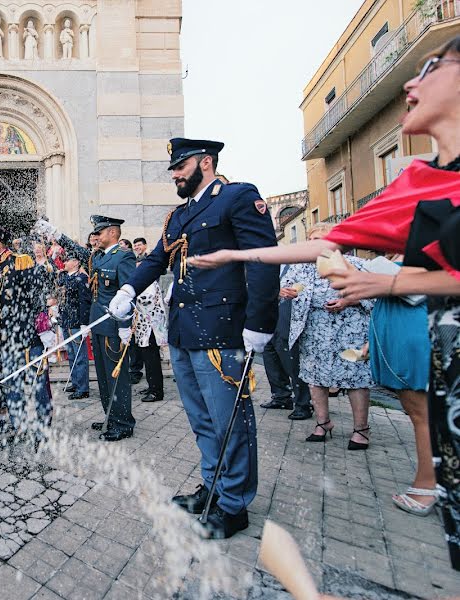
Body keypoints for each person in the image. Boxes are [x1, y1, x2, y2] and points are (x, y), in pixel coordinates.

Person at [187, 35, 460, 565]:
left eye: (430, 66)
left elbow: (399, 277)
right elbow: (321, 245)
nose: (409, 81)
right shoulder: (420, 180)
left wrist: (389, 284)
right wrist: (235, 257)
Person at [107, 138, 279, 539]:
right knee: (202, 420)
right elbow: (156, 259)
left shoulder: (236, 197)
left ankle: (234, 504)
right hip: (184, 331)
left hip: (223, 330)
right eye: (172, 168)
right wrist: (129, 289)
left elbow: (264, 259)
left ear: (206, 161)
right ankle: (213, 487)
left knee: (230, 419)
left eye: (180, 166)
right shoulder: (178, 216)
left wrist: (260, 320)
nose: (174, 174)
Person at [38, 215, 137, 442]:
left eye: (99, 233)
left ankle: (123, 423)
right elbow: (78, 251)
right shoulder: (98, 257)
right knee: (102, 376)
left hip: (113, 327)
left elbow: (130, 292)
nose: (95, 237)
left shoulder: (123, 257)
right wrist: (56, 234)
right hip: (98, 324)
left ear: (112, 232)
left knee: (116, 377)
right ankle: (111, 416)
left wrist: (124, 326)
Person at [281, 224, 375, 448]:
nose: (315, 244)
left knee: (356, 378)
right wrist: (284, 292)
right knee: (315, 378)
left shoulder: (356, 265)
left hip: (351, 332)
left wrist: (348, 301)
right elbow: (284, 288)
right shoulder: (301, 268)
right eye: (312, 239)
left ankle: (361, 429)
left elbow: (376, 296)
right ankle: (323, 423)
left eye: (320, 239)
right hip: (314, 332)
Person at [365, 256, 434, 515]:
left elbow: (419, 289)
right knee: (418, 411)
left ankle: (428, 484)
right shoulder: (398, 254)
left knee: (422, 414)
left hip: (414, 330)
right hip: (400, 329)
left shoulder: (423, 250)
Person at [0, 223, 50, 440]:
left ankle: (42, 427)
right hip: (5, 337)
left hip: (27, 335)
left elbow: (38, 291)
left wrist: (37, 324)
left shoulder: (20, 262)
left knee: (38, 383)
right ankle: (18, 424)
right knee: (11, 382)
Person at [260, 264, 313, 421]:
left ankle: (303, 404)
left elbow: (307, 289)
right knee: (269, 353)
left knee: (290, 357)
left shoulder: (300, 266)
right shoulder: (268, 266)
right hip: (269, 314)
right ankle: (281, 396)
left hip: (289, 313)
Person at [58, 256, 91, 399]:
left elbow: (84, 301)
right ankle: (76, 382)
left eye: (68, 260)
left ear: (76, 262)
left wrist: (84, 322)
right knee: (71, 355)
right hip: (66, 320)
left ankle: (83, 388)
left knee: (80, 356)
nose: (64, 263)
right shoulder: (65, 277)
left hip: (76, 321)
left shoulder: (82, 278)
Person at [133, 280, 167, 403]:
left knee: (152, 360)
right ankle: (151, 386)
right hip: (144, 327)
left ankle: (156, 391)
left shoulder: (149, 281)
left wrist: (131, 296)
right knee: (147, 359)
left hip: (152, 327)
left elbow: (146, 299)